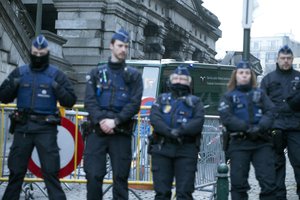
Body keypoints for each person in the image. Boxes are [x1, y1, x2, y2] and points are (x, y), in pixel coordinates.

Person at [1, 34, 77, 200]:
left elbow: (70, 100)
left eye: (42, 55)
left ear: (47, 53)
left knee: (51, 175)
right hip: (23, 128)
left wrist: (56, 87)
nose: (38, 57)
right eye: (35, 54)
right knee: (15, 174)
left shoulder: (56, 75)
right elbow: (3, 96)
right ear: (31, 52)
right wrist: (14, 84)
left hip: (46, 130)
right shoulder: (20, 72)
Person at [84, 28, 143, 200]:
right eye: (120, 45)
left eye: (126, 46)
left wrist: (115, 121)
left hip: (121, 132)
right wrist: (102, 120)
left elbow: (134, 103)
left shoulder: (133, 76)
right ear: (111, 46)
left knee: (120, 178)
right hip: (97, 131)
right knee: (93, 176)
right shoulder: (96, 73)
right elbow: (90, 100)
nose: (123, 49)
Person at [218, 61, 276, 200]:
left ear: (251, 76)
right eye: (241, 73)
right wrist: (246, 128)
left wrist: (260, 126)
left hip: (261, 142)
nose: (244, 75)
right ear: (236, 76)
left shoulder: (260, 94)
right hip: (239, 143)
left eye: (247, 73)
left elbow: (271, 112)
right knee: (238, 184)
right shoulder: (228, 96)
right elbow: (226, 117)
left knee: (268, 182)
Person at [148, 65, 204, 200]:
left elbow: (198, 121)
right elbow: (155, 118)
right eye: (176, 78)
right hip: (162, 149)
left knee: (184, 193)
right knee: (161, 193)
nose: (179, 81)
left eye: (183, 78)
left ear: (189, 81)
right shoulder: (161, 99)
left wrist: (180, 131)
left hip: (186, 150)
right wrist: (169, 132)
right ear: (171, 80)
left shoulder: (196, 102)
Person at [260, 45, 300, 200]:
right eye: (283, 58)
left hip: (296, 127)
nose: (286, 61)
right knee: (276, 164)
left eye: (289, 58)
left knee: (299, 162)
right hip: (275, 127)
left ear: (292, 60)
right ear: (277, 59)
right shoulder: (268, 79)